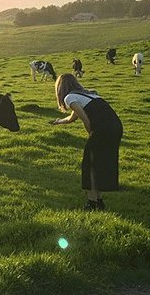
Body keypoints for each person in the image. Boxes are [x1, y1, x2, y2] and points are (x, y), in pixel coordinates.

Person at [51, 73, 123, 210]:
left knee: (89, 165)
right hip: (116, 127)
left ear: (60, 88)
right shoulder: (89, 95)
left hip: (102, 130)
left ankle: (92, 203)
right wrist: (58, 121)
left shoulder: (69, 97)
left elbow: (85, 119)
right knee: (101, 164)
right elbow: (72, 118)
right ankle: (99, 200)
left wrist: (91, 134)